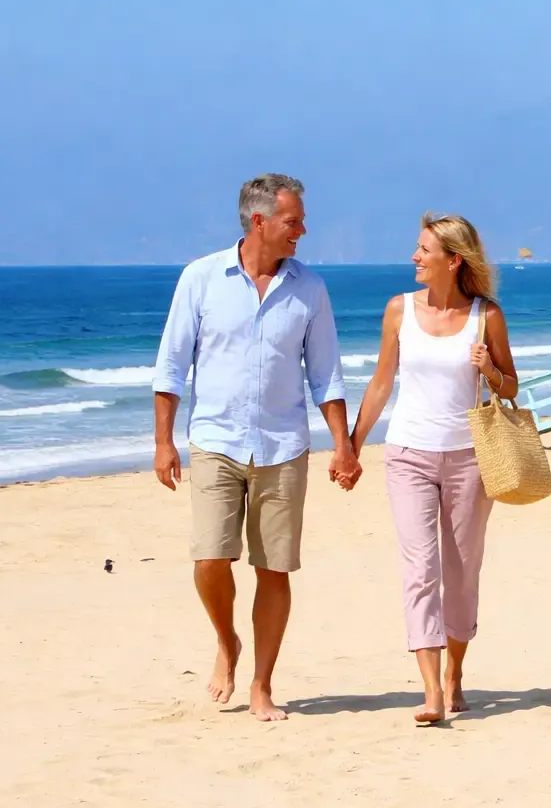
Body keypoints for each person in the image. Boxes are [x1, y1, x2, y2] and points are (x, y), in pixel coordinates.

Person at [151, 173, 360, 722]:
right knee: (209, 558)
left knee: (274, 570)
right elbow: (172, 367)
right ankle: (227, 640)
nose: (303, 230)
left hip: (283, 446)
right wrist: (163, 442)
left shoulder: (309, 289)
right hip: (216, 440)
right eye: (294, 221)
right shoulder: (201, 279)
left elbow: (326, 375)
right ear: (259, 221)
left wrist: (343, 446)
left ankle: (262, 685)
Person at [349, 213, 520, 725]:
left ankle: (455, 674)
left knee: (461, 574)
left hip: (471, 458)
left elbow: (511, 386)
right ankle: (430, 693)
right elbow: (381, 383)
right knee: (419, 571)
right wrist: (351, 445)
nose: (414, 258)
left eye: (424, 250)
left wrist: (489, 368)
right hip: (408, 454)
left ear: (454, 259)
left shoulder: (486, 315)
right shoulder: (398, 309)